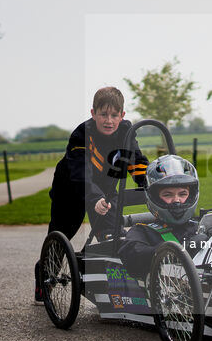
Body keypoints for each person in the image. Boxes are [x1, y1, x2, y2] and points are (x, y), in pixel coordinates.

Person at [34, 86, 148, 301]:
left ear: (122, 115)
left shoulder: (126, 132)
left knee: (112, 235)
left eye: (114, 115)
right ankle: (44, 279)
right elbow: (82, 174)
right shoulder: (81, 134)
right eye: (103, 114)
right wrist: (94, 199)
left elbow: (137, 163)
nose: (108, 120)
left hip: (105, 190)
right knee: (61, 236)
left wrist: (149, 185)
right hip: (71, 189)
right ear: (93, 113)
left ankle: (114, 288)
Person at [118, 154, 201, 279]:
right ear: (155, 197)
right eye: (168, 195)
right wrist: (182, 249)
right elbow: (133, 257)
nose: (176, 200)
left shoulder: (200, 226)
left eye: (183, 194)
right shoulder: (143, 231)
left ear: (191, 195)